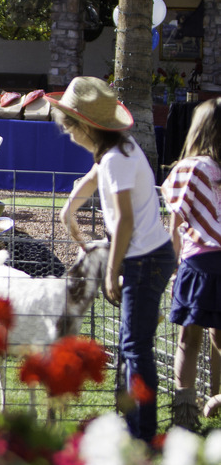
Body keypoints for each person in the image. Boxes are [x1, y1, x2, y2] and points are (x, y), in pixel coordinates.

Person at [49, 76, 174, 444]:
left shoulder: (117, 160)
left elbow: (125, 221)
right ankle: (132, 421)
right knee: (130, 343)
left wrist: (112, 271)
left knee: (136, 347)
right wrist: (71, 205)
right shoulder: (118, 152)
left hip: (144, 260)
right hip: (147, 257)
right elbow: (92, 177)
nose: (67, 135)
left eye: (69, 128)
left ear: (84, 127)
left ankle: (143, 433)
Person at [161, 98, 221, 430]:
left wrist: (171, 269)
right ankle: (217, 400)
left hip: (199, 264)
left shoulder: (190, 168)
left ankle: (185, 414)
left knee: (189, 339)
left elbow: (175, 226)